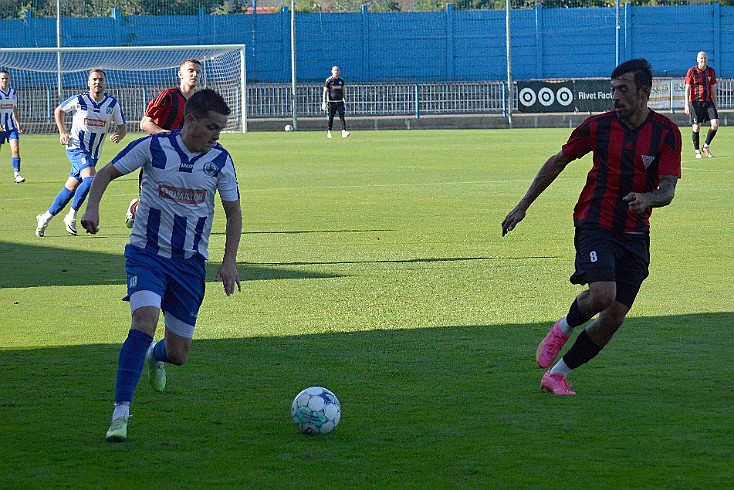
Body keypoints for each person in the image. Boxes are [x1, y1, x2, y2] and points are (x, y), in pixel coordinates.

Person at [501, 59, 681, 396]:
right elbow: (558, 162)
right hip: (595, 221)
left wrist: (647, 199)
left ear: (644, 92)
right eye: (612, 89)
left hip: (636, 233)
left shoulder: (666, 133)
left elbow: (668, 190)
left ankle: (557, 374)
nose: (615, 96)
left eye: (623, 89)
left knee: (613, 318)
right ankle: (562, 329)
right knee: (602, 295)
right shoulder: (597, 127)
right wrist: (522, 206)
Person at [80, 88, 242, 443]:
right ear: (191, 120)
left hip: (189, 265)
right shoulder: (153, 147)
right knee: (144, 321)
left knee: (178, 354)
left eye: (221, 129)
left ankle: (157, 357)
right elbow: (105, 173)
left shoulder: (220, 161)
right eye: (213, 127)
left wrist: (229, 262)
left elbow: (233, 214)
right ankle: (120, 414)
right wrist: (92, 208)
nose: (217, 134)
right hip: (147, 255)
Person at [35, 68, 126, 237]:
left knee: (70, 187)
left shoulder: (112, 104)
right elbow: (59, 110)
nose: (97, 82)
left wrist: (119, 135)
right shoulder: (80, 100)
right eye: (94, 79)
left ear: (105, 83)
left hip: (94, 154)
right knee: (91, 178)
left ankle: (45, 218)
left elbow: (123, 127)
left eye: (100, 79)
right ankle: (71, 216)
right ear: (89, 82)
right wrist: (62, 132)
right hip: (76, 147)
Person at [125, 59, 202, 228]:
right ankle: (135, 209)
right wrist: (170, 136)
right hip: (157, 155)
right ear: (180, 74)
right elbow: (145, 123)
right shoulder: (168, 95)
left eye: (197, 71)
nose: (194, 74)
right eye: (190, 70)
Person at [684, 51, 718, 159]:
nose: (703, 60)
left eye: (705, 58)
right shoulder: (692, 71)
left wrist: (716, 104)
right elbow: (687, 88)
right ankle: (697, 150)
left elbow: (713, 88)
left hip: (708, 102)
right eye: (701, 58)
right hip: (695, 102)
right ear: (697, 60)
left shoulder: (711, 72)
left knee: (715, 123)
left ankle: (706, 146)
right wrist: (686, 104)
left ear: (707, 59)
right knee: (696, 126)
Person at [0, 70, 25, 183]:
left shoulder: (13, 92)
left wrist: (18, 123)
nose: (4, 80)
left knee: (16, 149)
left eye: (6, 78)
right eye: (2, 78)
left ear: (9, 79)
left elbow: (14, 108)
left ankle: (17, 175)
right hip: (0, 127)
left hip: (11, 127)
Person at [322, 65, 350, 139]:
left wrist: (344, 99)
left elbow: (343, 90)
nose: (336, 72)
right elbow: (325, 91)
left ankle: (344, 131)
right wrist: (323, 102)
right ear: (332, 71)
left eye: (337, 70)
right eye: (335, 71)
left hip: (340, 101)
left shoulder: (341, 80)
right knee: (331, 117)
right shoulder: (329, 80)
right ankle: (329, 131)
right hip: (331, 102)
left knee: (342, 116)